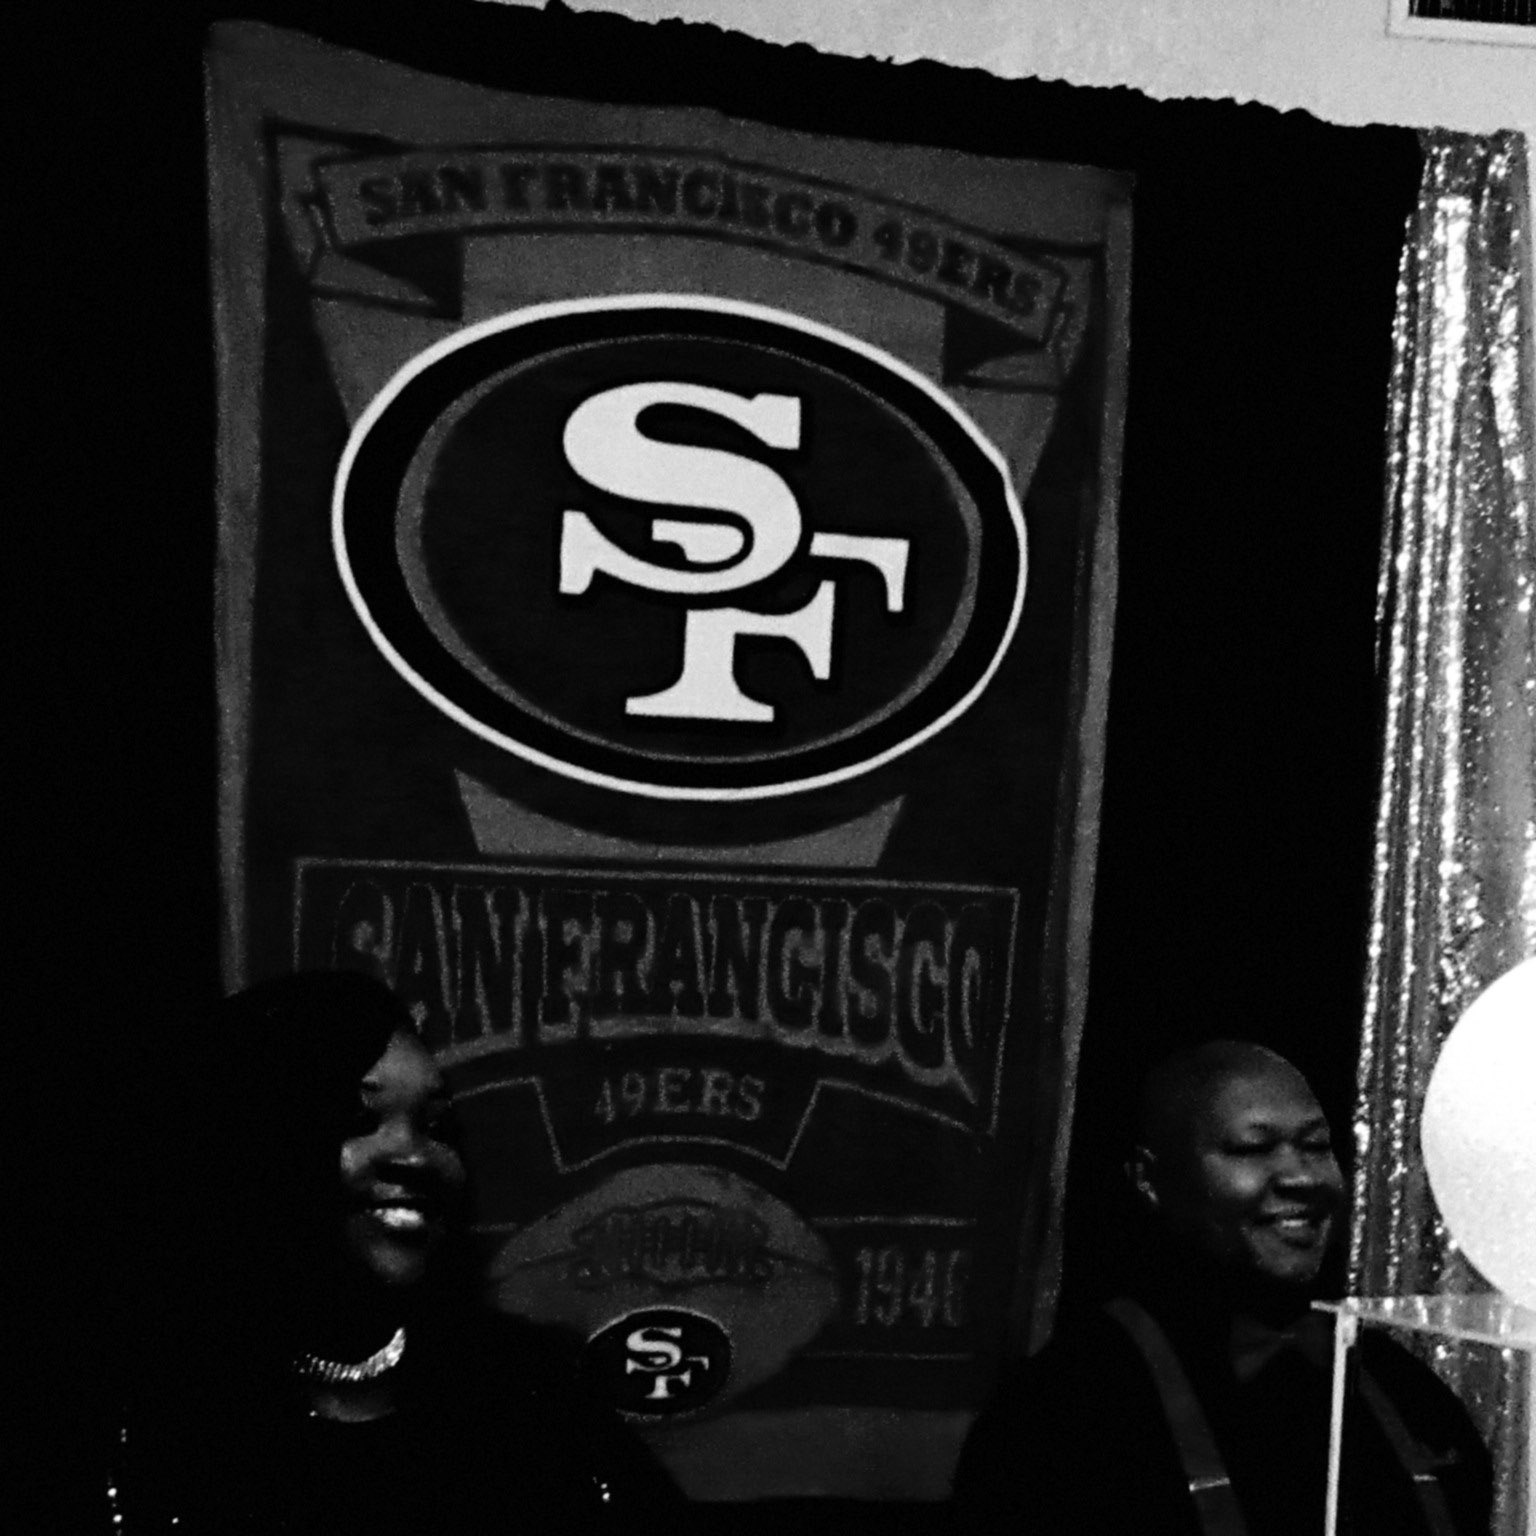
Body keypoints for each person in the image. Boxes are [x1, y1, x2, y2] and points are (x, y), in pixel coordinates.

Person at [105, 970, 679, 1534]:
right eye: (358, 1120)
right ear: (246, 1146)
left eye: (436, 1125)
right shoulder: (148, 1424)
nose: (415, 1154)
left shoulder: (531, 1399)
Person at [950, 1040, 1492, 1536]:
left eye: (1316, 1145)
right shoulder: (1061, 1414)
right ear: (1150, 1179)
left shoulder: (1407, 1394)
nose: (1301, 1177)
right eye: (1253, 1149)